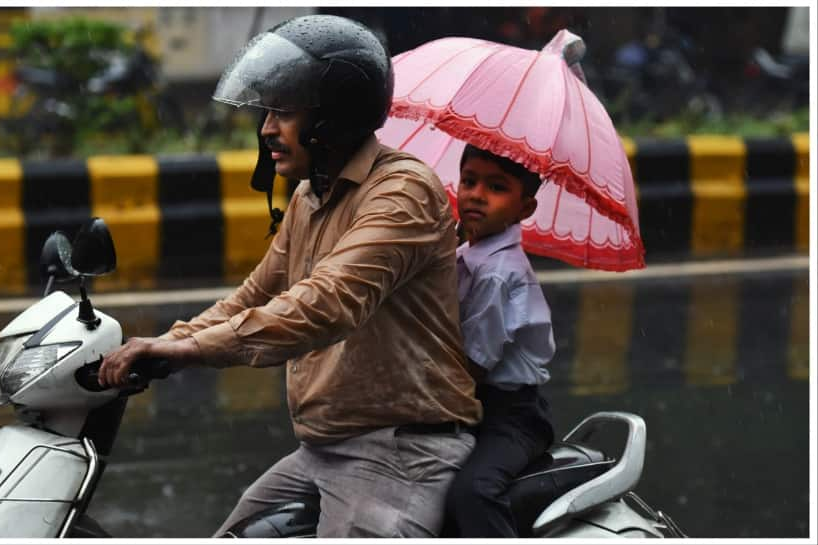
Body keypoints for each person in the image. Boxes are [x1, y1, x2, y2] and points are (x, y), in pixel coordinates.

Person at [96, 15, 481, 538]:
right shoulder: (311, 193)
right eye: (267, 111)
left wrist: (193, 351)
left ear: (333, 117)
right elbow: (258, 292)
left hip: (401, 450)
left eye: (284, 111)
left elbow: (327, 303)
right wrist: (170, 342)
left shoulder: (402, 194)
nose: (267, 129)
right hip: (324, 447)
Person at [443, 144, 556, 537]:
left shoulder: (498, 273)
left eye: (496, 187)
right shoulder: (464, 253)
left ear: (525, 208)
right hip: (471, 403)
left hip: (510, 417)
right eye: (469, 181)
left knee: (472, 492)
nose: (475, 194)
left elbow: (471, 364)